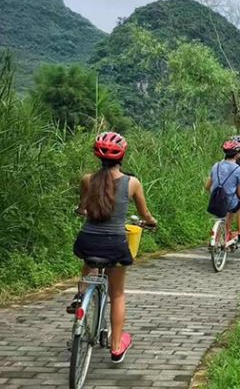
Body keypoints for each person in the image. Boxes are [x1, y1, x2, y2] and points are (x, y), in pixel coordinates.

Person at [73, 132, 158, 363]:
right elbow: (145, 214)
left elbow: (82, 208)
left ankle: (81, 296)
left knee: (89, 263)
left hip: (87, 239)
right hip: (115, 244)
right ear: (123, 155)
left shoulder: (87, 180)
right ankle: (116, 345)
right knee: (117, 293)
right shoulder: (132, 183)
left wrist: (84, 211)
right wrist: (151, 223)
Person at [205, 140, 240, 242]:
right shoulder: (239, 170)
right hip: (229, 202)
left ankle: (219, 238)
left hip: (215, 201)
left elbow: (207, 187)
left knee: (226, 213)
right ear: (237, 154)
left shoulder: (216, 165)